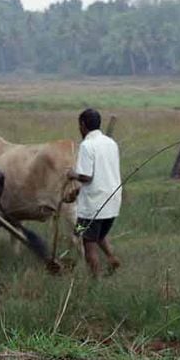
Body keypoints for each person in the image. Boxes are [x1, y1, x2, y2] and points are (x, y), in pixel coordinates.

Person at [66, 108, 122, 277]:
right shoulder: (111, 143)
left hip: (93, 206)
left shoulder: (87, 145)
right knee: (95, 233)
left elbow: (86, 177)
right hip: (112, 202)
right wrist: (76, 193)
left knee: (88, 241)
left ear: (83, 125)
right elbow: (100, 175)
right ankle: (112, 258)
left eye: (79, 125)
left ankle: (95, 281)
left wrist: (71, 174)